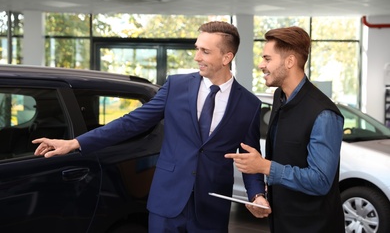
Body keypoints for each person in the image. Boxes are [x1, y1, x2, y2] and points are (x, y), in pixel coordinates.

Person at [33, 21, 271, 232]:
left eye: (205, 51)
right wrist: (75, 143)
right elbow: (131, 123)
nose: (197, 56)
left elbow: (250, 157)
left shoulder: (249, 104)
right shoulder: (176, 86)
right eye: (197, 48)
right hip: (166, 203)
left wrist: (257, 195)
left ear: (226, 57)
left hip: (211, 209)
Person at [225, 26, 345, 233]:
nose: (261, 65)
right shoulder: (279, 97)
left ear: (289, 62)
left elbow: (321, 181)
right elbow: (288, 157)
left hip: (315, 227)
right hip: (281, 222)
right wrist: (262, 195)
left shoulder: (324, 114)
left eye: (267, 58)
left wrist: (264, 167)